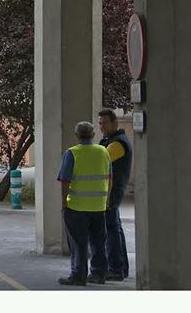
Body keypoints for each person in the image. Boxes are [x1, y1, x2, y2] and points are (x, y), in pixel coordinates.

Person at [57, 121, 112, 286]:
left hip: (77, 206)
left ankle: (78, 275)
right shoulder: (103, 151)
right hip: (98, 206)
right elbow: (110, 177)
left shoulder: (72, 153)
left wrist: (63, 203)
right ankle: (99, 274)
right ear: (93, 135)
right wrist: (107, 199)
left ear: (76, 135)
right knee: (98, 242)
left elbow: (65, 180)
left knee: (79, 243)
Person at [98, 108, 133, 281]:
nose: (101, 126)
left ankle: (116, 268)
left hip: (112, 191)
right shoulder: (109, 140)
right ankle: (120, 268)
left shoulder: (118, 143)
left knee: (110, 230)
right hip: (109, 190)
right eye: (99, 123)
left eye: (104, 123)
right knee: (114, 229)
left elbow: (101, 159)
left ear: (114, 123)